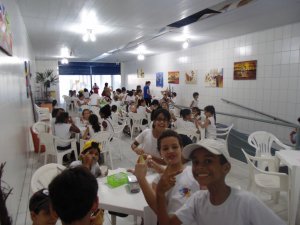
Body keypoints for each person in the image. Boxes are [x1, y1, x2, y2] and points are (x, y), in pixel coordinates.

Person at [156, 139, 285, 225]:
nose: (200, 167)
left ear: (226, 168)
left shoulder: (246, 203)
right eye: (196, 162)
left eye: (208, 161)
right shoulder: (197, 200)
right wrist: (160, 193)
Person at [135, 130, 199, 218]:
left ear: (181, 148)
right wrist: (141, 178)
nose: (170, 151)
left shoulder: (193, 172)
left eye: (175, 147)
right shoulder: (157, 181)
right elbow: (158, 209)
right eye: (165, 148)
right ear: (160, 152)